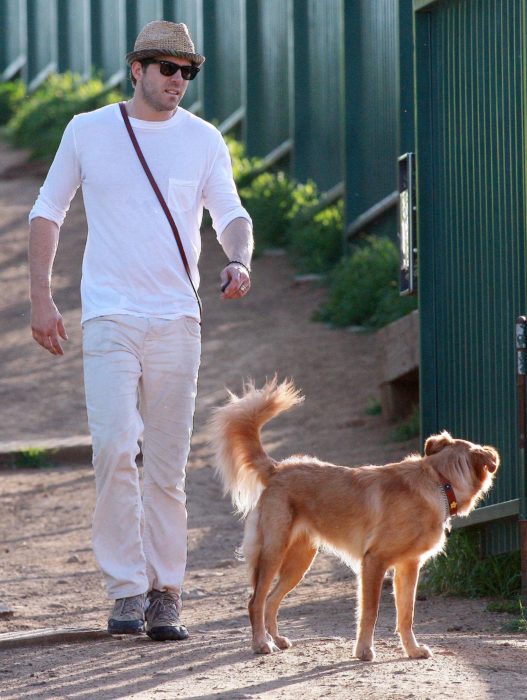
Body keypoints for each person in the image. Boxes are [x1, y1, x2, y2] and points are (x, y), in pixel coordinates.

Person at [28, 20, 253, 642]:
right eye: (166, 68)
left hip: (177, 318)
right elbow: (48, 210)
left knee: (167, 463)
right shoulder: (89, 130)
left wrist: (238, 258)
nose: (178, 80)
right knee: (113, 446)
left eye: (188, 71)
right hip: (109, 313)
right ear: (138, 68)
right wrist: (41, 296)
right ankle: (125, 588)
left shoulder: (204, 140)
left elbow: (230, 213)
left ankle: (166, 592)